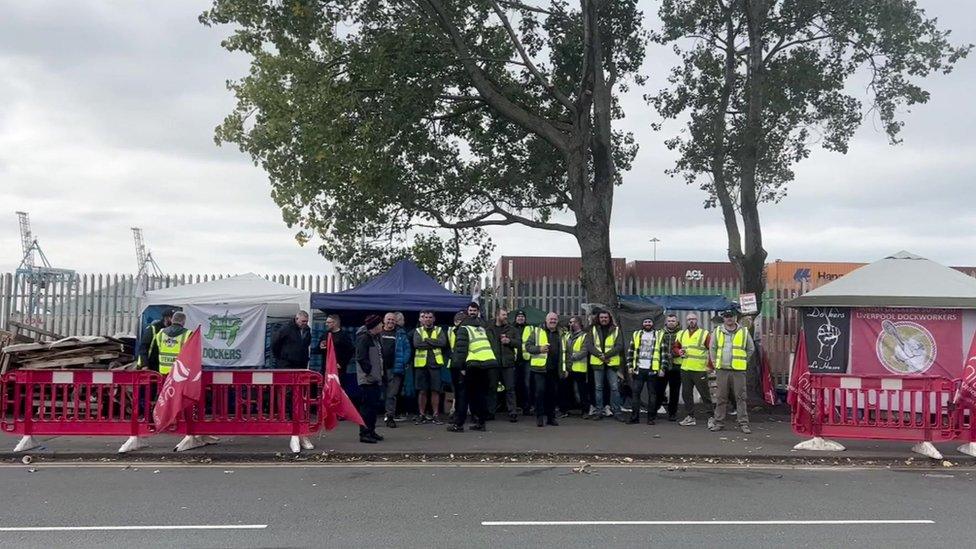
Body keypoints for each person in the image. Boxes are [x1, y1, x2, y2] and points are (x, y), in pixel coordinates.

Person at [448, 302, 497, 432]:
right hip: (487, 364)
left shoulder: (464, 329)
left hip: (472, 365)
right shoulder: (481, 328)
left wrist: (461, 367)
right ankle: (481, 422)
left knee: (463, 396)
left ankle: (458, 424)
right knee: (480, 395)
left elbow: (461, 350)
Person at [709, 310, 755, 433]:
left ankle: (743, 423)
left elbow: (750, 348)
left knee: (741, 397)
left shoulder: (744, 331)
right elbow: (712, 348)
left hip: (738, 370)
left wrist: (743, 361)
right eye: (726, 316)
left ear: (735, 317)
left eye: (731, 316)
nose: (729, 319)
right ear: (723, 318)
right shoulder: (717, 331)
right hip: (722, 370)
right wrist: (715, 363)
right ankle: (718, 423)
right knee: (721, 397)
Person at [525, 312, 565, 427]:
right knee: (539, 393)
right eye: (551, 319)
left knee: (552, 394)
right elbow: (528, 346)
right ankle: (539, 417)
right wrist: (539, 349)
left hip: (554, 369)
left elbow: (565, 351)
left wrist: (564, 367)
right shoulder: (537, 332)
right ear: (546, 320)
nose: (553, 321)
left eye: (555, 319)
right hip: (540, 369)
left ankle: (551, 417)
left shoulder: (561, 333)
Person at [676, 313, 714, 427]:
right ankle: (690, 417)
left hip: (699, 369)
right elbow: (675, 347)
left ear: (697, 320)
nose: (691, 321)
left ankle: (711, 417)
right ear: (686, 321)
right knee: (686, 394)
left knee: (705, 394)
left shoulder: (704, 334)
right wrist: (678, 352)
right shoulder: (682, 334)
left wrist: (710, 366)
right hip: (685, 368)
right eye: (689, 320)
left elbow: (712, 350)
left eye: (693, 319)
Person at [586, 310, 624, 421]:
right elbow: (589, 345)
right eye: (602, 317)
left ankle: (617, 411)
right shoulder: (592, 329)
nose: (604, 319)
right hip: (598, 364)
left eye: (606, 317)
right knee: (598, 388)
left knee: (614, 388)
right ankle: (599, 411)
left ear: (609, 318)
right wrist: (600, 356)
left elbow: (619, 346)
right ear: (598, 318)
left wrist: (606, 355)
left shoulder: (616, 330)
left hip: (611, 363)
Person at [413, 310, 448, 424]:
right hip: (421, 365)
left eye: (430, 317)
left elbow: (443, 343)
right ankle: (421, 414)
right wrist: (434, 342)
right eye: (426, 317)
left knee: (435, 391)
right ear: (422, 319)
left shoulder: (439, 330)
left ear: (433, 319)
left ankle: (435, 415)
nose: (427, 319)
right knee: (422, 391)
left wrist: (427, 340)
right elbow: (417, 344)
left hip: (435, 365)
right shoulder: (418, 331)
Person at [355, 315, 386, 444]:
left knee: (373, 407)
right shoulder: (364, 338)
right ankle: (364, 433)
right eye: (380, 324)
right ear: (375, 325)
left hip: (375, 378)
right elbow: (361, 357)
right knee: (366, 407)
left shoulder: (375, 338)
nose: (382, 326)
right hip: (368, 379)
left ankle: (371, 430)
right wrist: (369, 372)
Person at [487, 307, 520, 422]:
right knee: (491, 389)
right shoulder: (488, 329)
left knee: (510, 388)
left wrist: (510, 341)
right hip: (493, 363)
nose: (506, 317)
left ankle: (512, 413)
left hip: (508, 363)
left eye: (506, 315)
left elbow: (519, 343)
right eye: (504, 315)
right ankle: (490, 412)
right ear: (497, 315)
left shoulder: (511, 329)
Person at [627, 317, 661, 425]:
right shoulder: (636, 334)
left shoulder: (659, 335)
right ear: (642, 324)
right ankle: (634, 418)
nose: (647, 323)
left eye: (649, 322)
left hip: (652, 369)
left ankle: (651, 419)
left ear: (652, 324)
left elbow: (663, 353)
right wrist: (629, 366)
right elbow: (631, 351)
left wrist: (662, 368)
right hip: (639, 369)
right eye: (645, 322)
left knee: (652, 394)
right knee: (636, 394)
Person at [381, 312, 411, 428]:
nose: (390, 321)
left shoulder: (401, 334)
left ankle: (390, 417)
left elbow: (407, 350)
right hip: (379, 369)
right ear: (384, 320)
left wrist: (403, 362)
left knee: (391, 394)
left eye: (393, 320)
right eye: (388, 319)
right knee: (377, 393)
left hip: (394, 369)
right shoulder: (378, 333)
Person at [653, 314, 683, 421]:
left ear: (677, 322)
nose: (671, 322)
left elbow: (684, 348)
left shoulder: (682, 333)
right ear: (666, 322)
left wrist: (675, 354)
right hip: (663, 365)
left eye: (673, 321)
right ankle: (655, 410)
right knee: (659, 390)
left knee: (674, 391)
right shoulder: (659, 333)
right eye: (669, 321)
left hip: (676, 366)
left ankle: (672, 413)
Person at [564, 316, 591, 418]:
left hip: (579, 368)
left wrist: (572, 357)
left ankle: (585, 411)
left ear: (578, 323)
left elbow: (585, 351)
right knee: (567, 390)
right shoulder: (567, 335)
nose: (570, 324)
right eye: (570, 322)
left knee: (582, 391)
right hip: (568, 367)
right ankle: (567, 409)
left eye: (572, 322)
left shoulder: (585, 336)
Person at [446, 311, 467, 430]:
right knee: (457, 391)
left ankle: (458, 417)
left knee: (462, 393)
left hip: (463, 364)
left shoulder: (465, 331)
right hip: (454, 363)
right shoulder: (450, 331)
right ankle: (456, 414)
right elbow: (447, 347)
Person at [512, 310, 534, 416]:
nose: (520, 318)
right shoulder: (511, 328)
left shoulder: (530, 328)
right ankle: (515, 407)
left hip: (527, 360)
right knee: (514, 384)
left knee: (527, 384)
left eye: (522, 316)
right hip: (514, 360)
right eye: (519, 316)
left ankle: (527, 407)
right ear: (515, 318)